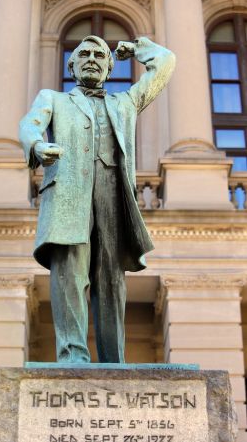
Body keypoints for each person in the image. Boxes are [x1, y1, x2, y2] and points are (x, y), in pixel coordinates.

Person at [19, 35, 175, 363]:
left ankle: (112, 361)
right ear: (71, 65)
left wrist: (137, 50)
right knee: (70, 274)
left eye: (99, 55)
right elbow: (30, 124)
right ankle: (73, 355)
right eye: (84, 54)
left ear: (108, 67)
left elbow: (165, 64)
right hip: (68, 195)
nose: (91, 58)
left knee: (111, 280)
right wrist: (36, 146)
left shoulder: (125, 102)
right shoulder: (53, 99)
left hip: (112, 195)